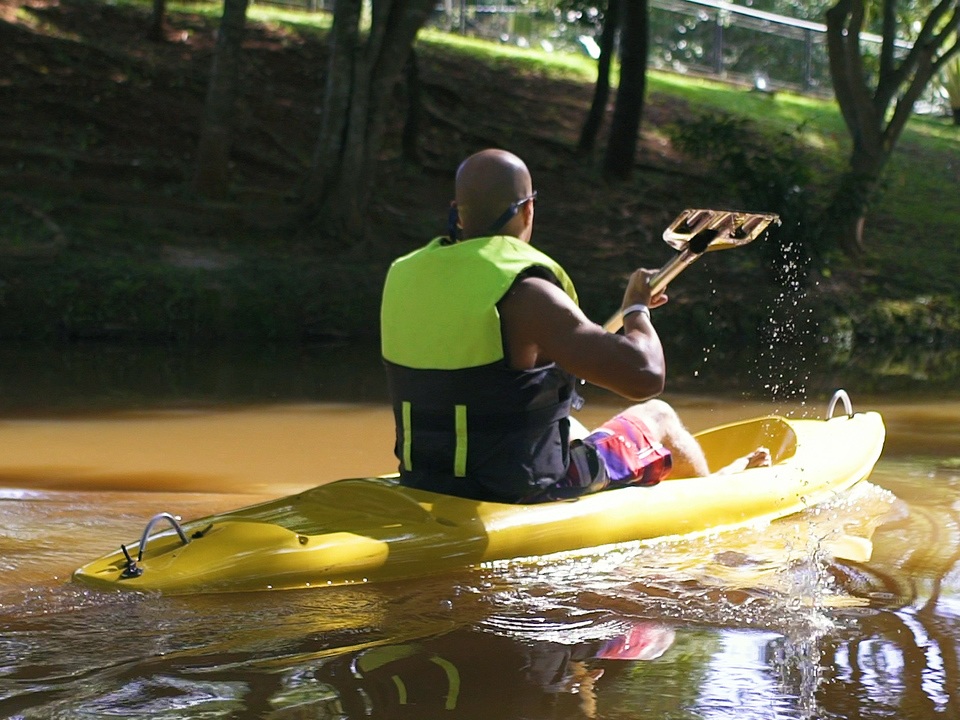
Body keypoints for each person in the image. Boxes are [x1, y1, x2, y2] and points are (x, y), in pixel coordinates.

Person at [380, 148, 768, 504]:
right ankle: (715, 497)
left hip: (426, 479)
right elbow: (645, 376)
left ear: (458, 213)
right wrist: (636, 309)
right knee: (660, 416)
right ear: (528, 210)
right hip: (520, 488)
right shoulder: (526, 291)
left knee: (574, 424)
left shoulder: (404, 276)